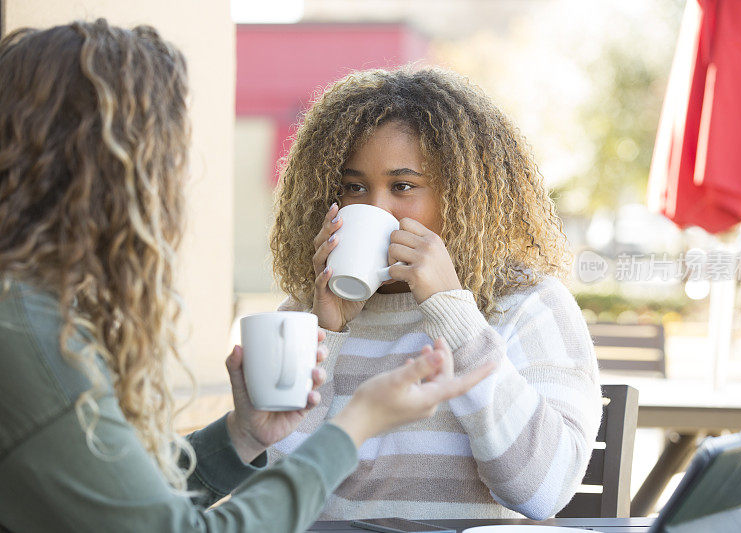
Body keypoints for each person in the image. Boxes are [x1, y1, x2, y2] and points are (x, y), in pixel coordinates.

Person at [0, 20, 494, 533]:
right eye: (162, 156)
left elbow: (123, 499)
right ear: (105, 169)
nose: (176, 181)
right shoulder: (27, 336)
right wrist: (354, 426)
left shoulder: (29, 310)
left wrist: (241, 436)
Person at [269, 67, 603, 520]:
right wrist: (325, 333)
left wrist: (452, 311)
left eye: (402, 186)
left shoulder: (527, 304)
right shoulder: (305, 315)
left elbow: (543, 489)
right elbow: (274, 503)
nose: (375, 208)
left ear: (463, 194)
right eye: (355, 187)